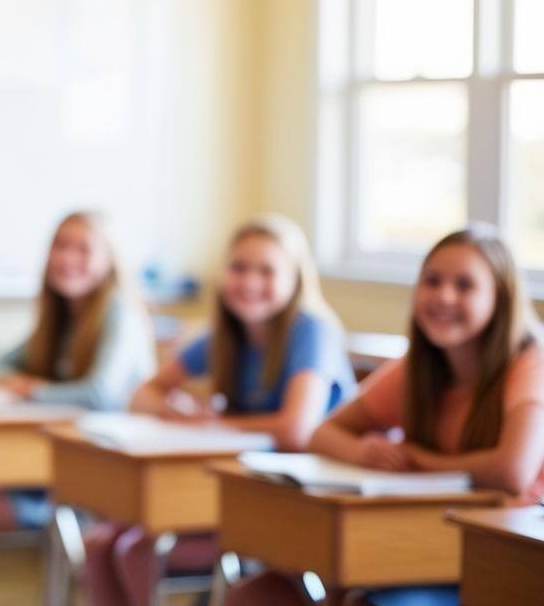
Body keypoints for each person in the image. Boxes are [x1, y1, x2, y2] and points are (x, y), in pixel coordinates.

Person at [228, 225, 544, 606]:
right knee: (258, 595)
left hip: (511, 562)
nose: (444, 296)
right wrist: (363, 452)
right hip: (429, 543)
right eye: (432, 281)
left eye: (465, 285)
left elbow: (511, 471)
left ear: (500, 299)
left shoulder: (531, 364)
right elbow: (322, 434)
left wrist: (421, 460)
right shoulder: (418, 368)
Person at [85, 213, 355, 606]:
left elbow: (296, 428)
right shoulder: (225, 336)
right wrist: (186, 415)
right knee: (104, 540)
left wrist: (217, 422)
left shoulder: (312, 330)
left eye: (267, 271)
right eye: (239, 268)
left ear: (295, 279)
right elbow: (142, 396)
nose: (249, 282)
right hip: (242, 497)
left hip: (305, 511)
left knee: (135, 549)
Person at [0, 211, 154, 603]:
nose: (68, 257)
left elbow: (101, 394)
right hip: (48, 469)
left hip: (97, 481)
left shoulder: (120, 313)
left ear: (109, 262)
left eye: (82, 248)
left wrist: (33, 390)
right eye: (60, 246)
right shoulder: (61, 316)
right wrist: (18, 380)